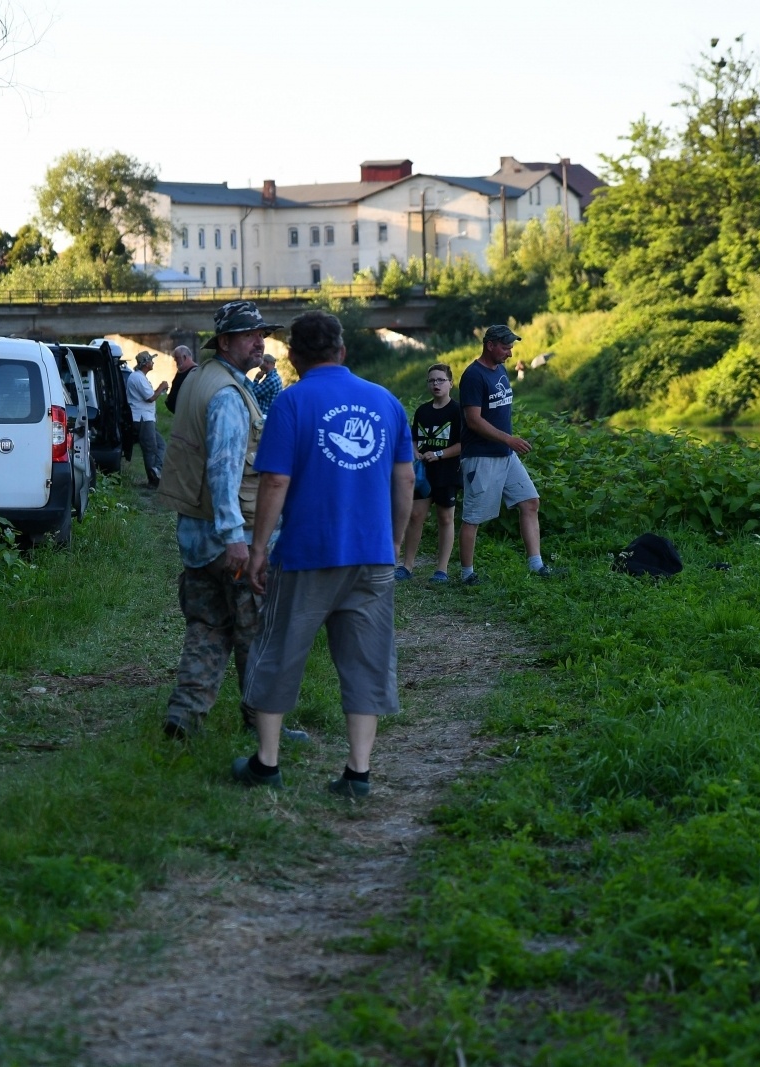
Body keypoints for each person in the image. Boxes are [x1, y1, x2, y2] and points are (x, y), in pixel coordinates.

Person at [235, 310, 414, 798]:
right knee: (367, 662)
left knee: (279, 652)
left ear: (293, 356)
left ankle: (267, 763)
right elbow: (405, 480)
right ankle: (358, 772)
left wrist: (257, 551)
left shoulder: (291, 404)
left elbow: (274, 481)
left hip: (307, 553)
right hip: (372, 556)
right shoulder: (387, 402)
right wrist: (394, 543)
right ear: (342, 350)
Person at [157, 302, 310, 742]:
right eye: (249, 335)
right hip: (232, 538)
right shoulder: (227, 395)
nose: (259, 342)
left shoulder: (201, 380)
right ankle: (263, 725)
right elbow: (223, 469)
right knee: (257, 634)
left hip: (197, 537)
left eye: (262, 334)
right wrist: (235, 540)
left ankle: (183, 719)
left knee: (207, 628)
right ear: (225, 342)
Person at [456, 325, 560, 584]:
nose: (510, 353)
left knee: (530, 502)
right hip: (481, 456)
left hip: (505, 454)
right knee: (473, 517)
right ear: (489, 344)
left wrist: (508, 443)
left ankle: (536, 565)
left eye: (511, 347)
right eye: (505, 347)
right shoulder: (473, 376)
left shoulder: (500, 370)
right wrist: (509, 439)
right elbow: (474, 421)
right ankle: (467, 574)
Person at [396, 363, 464, 582]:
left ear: (451, 383)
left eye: (440, 380)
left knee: (445, 518)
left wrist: (440, 454)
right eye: (432, 380)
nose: (436, 384)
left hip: (447, 472)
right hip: (423, 473)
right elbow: (414, 439)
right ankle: (407, 566)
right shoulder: (422, 411)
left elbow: (464, 444)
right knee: (415, 516)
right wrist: (415, 451)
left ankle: (441, 570)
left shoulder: (457, 411)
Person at [126, 351, 168, 488]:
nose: (153, 362)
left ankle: (156, 470)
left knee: (161, 445)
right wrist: (161, 387)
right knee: (150, 449)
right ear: (146, 363)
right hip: (143, 419)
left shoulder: (140, 377)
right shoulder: (137, 378)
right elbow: (150, 397)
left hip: (147, 418)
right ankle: (153, 481)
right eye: (151, 360)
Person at [164, 345, 196, 414]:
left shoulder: (195, 372)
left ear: (184, 357)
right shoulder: (181, 371)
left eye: (177, 357)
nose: (175, 360)